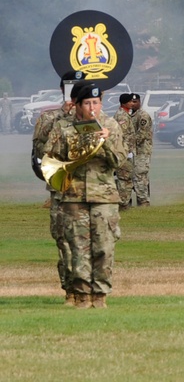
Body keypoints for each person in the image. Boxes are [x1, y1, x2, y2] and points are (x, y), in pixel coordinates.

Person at [41, 83, 127, 309]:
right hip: (74, 196)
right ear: (77, 105)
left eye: (96, 103)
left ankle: (100, 294)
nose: (92, 108)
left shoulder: (111, 125)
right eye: (87, 103)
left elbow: (120, 160)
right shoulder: (63, 127)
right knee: (77, 249)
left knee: (104, 247)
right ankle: (81, 295)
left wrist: (106, 140)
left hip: (104, 197)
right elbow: (51, 158)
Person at [32, 73, 80, 304]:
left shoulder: (97, 118)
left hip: (88, 190)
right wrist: (64, 115)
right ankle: (69, 288)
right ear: (63, 90)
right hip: (61, 190)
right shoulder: (48, 117)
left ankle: (89, 288)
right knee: (63, 240)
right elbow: (40, 153)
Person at [113, 93, 137, 209]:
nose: (133, 103)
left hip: (126, 151)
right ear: (124, 103)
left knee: (126, 178)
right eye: (130, 102)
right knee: (125, 178)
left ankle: (124, 202)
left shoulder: (126, 114)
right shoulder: (122, 116)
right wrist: (126, 151)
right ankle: (123, 204)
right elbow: (122, 135)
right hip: (124, 152)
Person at [130, 93, 154, 206]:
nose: (133, 104)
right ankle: (141, 201)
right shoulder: (133, 115)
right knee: (137, 176)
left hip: (142, 151)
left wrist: (128, 144)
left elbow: (142, 134)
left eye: (135, 102)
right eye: (131, 102)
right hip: (135, 151)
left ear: (139, 102)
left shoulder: (143, 116)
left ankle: (144, 202)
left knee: (140, 176)